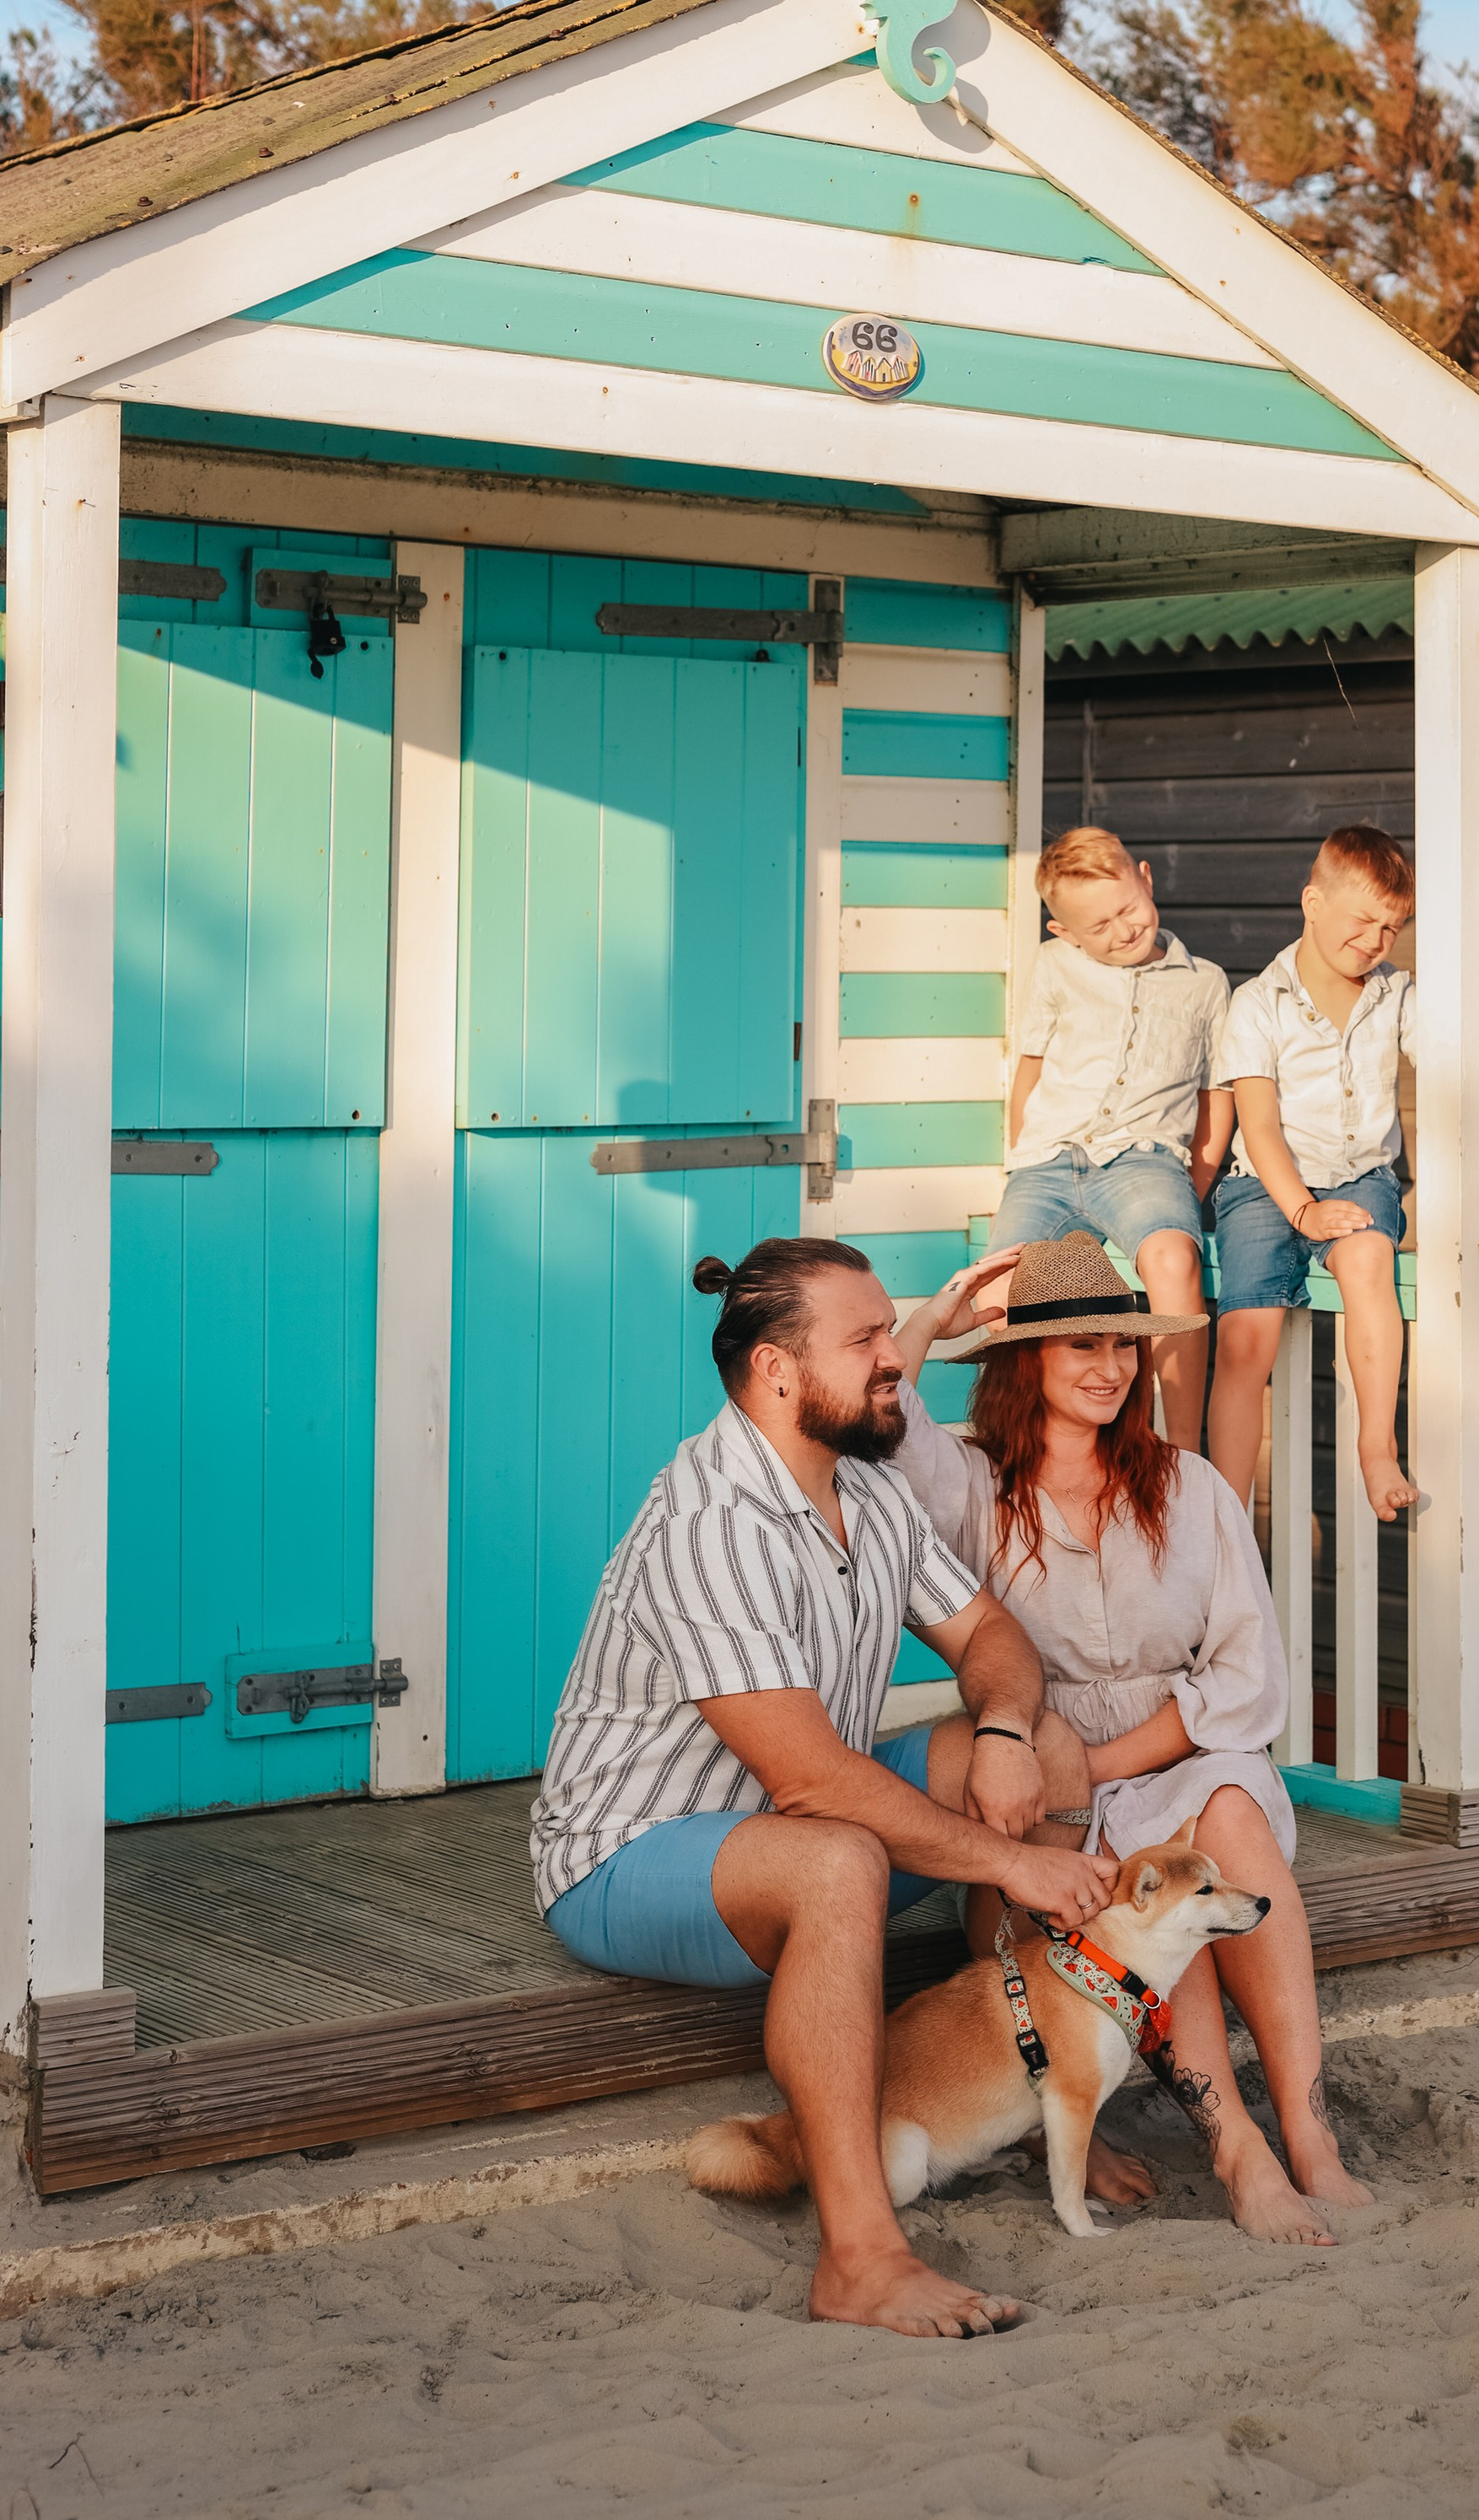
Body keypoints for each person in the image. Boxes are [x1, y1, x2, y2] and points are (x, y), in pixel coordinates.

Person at [529, 1235, 1120, 2340]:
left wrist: (998, 1728)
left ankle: (1034, 2080)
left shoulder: (867, 1486)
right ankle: (859, 2257)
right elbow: (804, 1778)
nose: (897, 1358)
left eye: (890, 1332)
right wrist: (1011, 1857)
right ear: (777, 1372)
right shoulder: (712, 1522)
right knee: (838, 1856)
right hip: (629, 1852)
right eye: (866, 1342)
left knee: (1050, 1748)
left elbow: (990, 1632)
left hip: (785, 1827)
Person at [892, 1230, 1373, 2249]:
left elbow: (1247, 1675)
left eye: (1123, 1345)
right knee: (1155, 1881)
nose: (1113, 1368)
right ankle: (1235, 2144)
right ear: (1027, 1362)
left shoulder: (1189, 1486)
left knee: (1230, 1811)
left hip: (1175, 1751)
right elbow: (878, 1416)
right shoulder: (974, 1484)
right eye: (1082, 1348)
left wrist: (1111, 1764)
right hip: (1039, 1777)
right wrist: (938, 1317)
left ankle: (1307, 2128)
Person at [989, 824, 1233, 1447]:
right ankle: (1017, 1443)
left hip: (1143, 1161)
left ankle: (1178, 1449)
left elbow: (1215, 1095)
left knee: (1175, 1258)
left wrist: (1192, 1184)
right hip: (1048, 1160)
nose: (1123, 930)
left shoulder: (1205, 983)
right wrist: (1022, 1157)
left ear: (1146, 880)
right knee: (999, 1285)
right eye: (1099, 927)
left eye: (1128, 908)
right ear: (1065, 933)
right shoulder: (1054, 967)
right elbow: (1032, 1070)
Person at [1206, 825, 1418, 1525]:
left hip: (1359, 1176)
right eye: (1363, 920)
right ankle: (1227, 1514)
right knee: (1246, 1336)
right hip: (1268, 1186)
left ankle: (1377, 1449)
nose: (1376, 940)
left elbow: (1456, 1051)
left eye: (1393, 927)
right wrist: (1300, 1211)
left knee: (1367, 1265)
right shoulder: (1258, 1003)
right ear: (1313, 902)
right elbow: (1258, 1127)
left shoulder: (1396, 995)